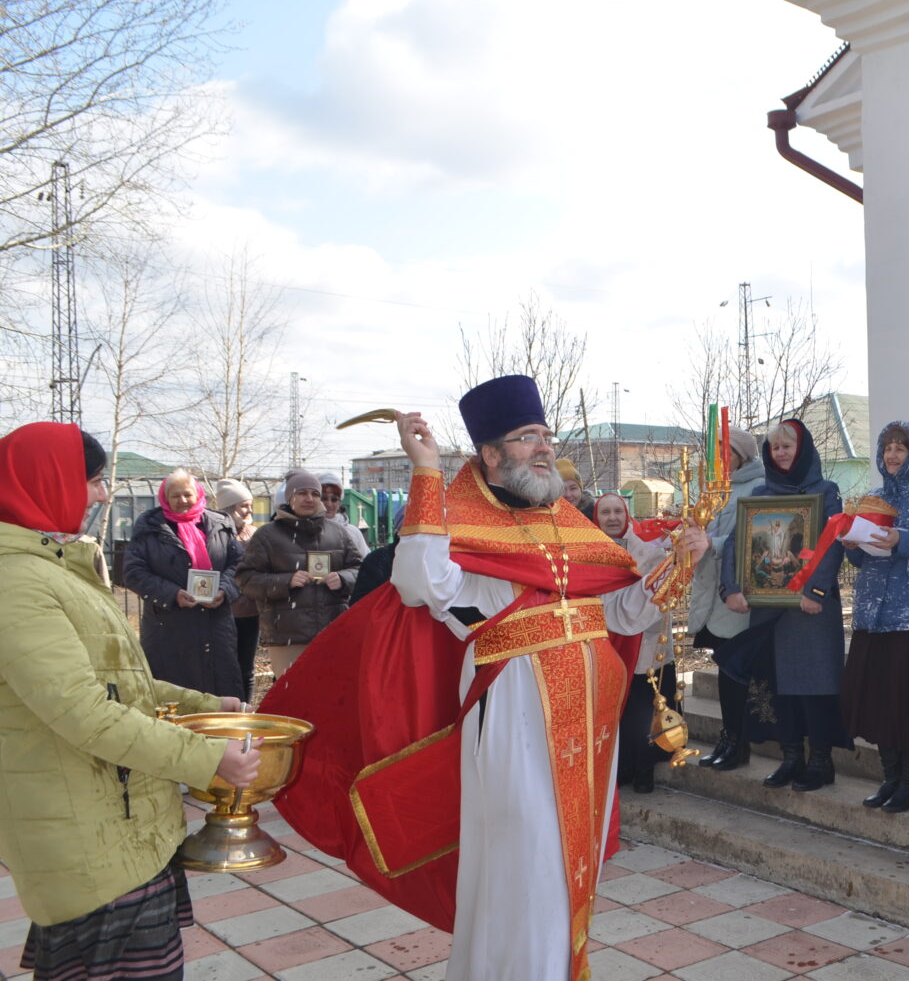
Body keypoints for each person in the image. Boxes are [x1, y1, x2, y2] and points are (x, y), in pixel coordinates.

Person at [262, 375, 661, 981]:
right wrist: (425, 471)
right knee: (522, 865)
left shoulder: (572, 528)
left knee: (568, 867)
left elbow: (621, 612)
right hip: (515, 720)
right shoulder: (457, 525)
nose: (544, 447)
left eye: (546, 435)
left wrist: (677, 563)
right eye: (527, 438)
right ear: (492, 454)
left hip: (588, 728)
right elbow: (422, 584)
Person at [0, 423, 260, 981]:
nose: (101, 495)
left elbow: (123, 682)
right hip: (87, 839)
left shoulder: (54, 567)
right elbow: (84, 712)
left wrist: (205, 702)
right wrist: (208, 758)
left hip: (123, 826)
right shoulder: (17, 583)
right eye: (92, 481)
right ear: (47, 482)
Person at [719, 419, 849, 792]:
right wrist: (732, 588)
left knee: (813, 686)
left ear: (803, 448)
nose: (781, 452)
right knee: (777, 688)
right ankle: (791, 757)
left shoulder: (826, 491)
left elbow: (832, 543)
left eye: (788, 446)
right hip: (769, 609)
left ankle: (821, 762)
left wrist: (816, 591)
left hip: (810, 612)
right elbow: (734, 545)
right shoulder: (760, 495)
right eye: (775, 447)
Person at [839, 421, 909, 814]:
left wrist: (902, 540)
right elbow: (859, 558)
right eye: (887, 447)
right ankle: (889, 778)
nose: (892, 454)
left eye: (901, 448)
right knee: (876, 701)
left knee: (906, 704)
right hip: (871, 615)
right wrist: (852, 544)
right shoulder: (872, 496)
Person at [680, 427, 764, 771]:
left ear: (741, 454)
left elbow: (752, 533)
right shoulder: (713, 489)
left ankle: (738, 743)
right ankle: (728, 739)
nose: (717, 459)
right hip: (711, 589)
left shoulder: (756, 486)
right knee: (725, 670)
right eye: (714, 452)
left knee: (735, 673)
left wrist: (710, 542)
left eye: (724, 451)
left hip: (735, 591)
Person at [123, 469, 246, 697]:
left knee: (218, 694)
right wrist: (172, 594)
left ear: (197, 494)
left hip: (215, 626)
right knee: (175, 697)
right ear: (165, 498)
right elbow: (133, 572)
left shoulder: (220, 524)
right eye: (175, 496)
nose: (182, 501)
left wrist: (224, 590)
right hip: (169, 628)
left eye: (187, 494)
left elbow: (239, 564)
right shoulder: (150, 527)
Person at [235, 469, 364, 679]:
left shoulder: (338, 533)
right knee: (291, 703)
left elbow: (360, 571)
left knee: (329, 699)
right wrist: (285, 581)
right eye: (302, 493)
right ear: (290, 497)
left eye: (314, 494)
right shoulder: (267, 535)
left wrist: (342, 578)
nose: (309, 499)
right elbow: (246, 579)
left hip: (333, 632)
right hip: (287, 637)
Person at [594, 491, 672, 794]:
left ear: (627, 516)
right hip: (605, 641)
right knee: (616, 711)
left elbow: (659, 594)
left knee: (643, 709)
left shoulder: (649, 553)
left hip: (643, 642)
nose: (612, 518)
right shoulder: (586, 551)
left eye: (617, 512)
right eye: (605, 513)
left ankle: (645, 769)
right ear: (596, 518)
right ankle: (621, 765)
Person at [215, 478, 261, 701]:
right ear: (229, 507)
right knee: (224, 667)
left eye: (249, 504)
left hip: (251, 612)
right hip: (224, 611)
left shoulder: (255, 534)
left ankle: (246, 707)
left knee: (246, 667)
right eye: (244, 505)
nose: (249, 510)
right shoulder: (216, 533)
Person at [318, 471, 371, 557]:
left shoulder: (353, 532)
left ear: (340, 503)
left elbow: (366, 563)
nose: (329, 504)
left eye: (334, 499)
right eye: (324, 499)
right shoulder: (307, 531)